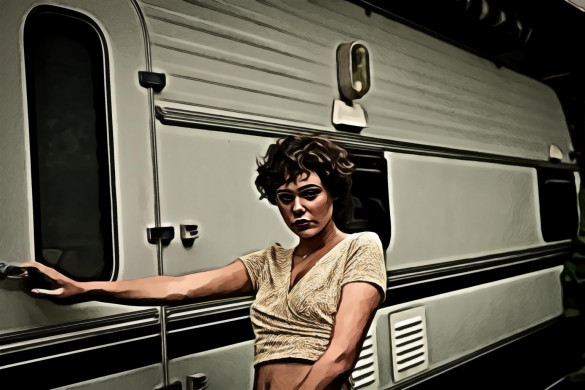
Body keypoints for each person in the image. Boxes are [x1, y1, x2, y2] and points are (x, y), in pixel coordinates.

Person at [21, 135, 387, 390]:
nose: (297, 209)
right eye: (285, 198)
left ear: (334, 193)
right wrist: (86, 287)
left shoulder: (359, 247)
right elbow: (179, 288)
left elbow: (340, 355)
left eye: (310, 194)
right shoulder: (269, 262)